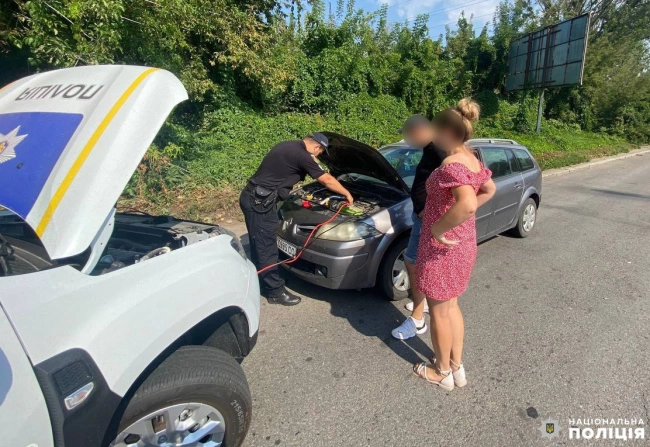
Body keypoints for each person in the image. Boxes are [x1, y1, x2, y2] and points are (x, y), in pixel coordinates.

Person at [411, 99, 496, 390]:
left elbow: (469, 203)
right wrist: (457, 223)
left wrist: (437, 228)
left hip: (443, 247)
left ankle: (441, 371)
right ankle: (457, 368)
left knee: (438, 311)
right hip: (462, 243)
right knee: (452, 307)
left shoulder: (451, 164)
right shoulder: (472, 158)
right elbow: (489, 189)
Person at [240, 133, 354, 306]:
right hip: (260, 203)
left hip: (253, 196)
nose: (318, 156)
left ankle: (263, 281)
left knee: (259, 243)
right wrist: (346, 193)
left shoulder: (287, 145)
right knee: (266, 246)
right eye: (320, 152)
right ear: (317, 147)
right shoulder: (302, 155)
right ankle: (275, 291)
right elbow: (327, 180)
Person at [391, 115, 446, 340]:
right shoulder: (429, 148)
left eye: (412, 134)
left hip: (428, 219)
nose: (410, 140)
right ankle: (420, 305)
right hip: (422, 216)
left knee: (415, 262)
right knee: (414, 262)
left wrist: (430, 211)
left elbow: (457, 185)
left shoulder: (440, 149)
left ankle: (417, 320)